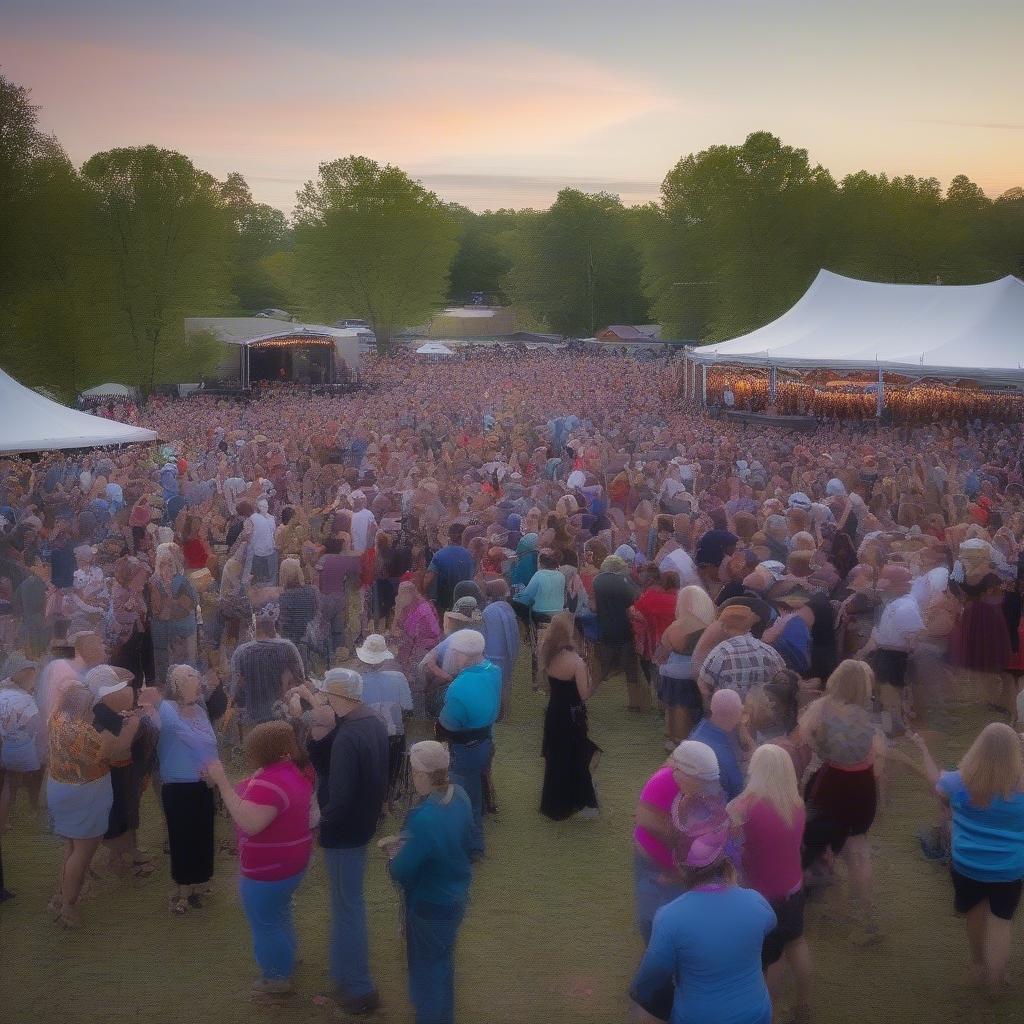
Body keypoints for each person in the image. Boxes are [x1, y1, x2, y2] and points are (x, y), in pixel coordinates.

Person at [203, 721, 314, 997]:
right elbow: (252, 789)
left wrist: (222, 783)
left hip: (269, 868)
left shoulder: (271, 781)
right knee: (279, 912)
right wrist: (222, 782)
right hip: (293, 861)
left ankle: (276, 977)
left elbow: (250, 822)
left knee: (264, 921)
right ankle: (287, 957)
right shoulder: (291, 772)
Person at [911, 723, 1024, 993]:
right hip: (1009, 870)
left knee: (975, 916)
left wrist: (922, 747)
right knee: (1001, 924)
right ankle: (995, 982)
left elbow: (935, 782)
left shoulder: (957, 782)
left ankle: (977, 967)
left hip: (967, 866)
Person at [630, 821, 776, 1024]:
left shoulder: (669, 917)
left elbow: (649, 982)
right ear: (726, 862)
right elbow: (769, 930)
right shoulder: (756, 901)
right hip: (757, 1013)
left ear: (681, 867)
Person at [306, 667, 389, 1015]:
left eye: (325, 695)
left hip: (343, 834)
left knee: (348, 908)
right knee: (345, 906)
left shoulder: (348, 737)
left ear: (336, 697)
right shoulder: (371, 723)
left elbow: (337, 800)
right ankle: (343, 973)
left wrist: (317, 824)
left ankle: (358, 988)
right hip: (362, 825)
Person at [380, 741, 474, 1024]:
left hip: (428, 903)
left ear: (421, 774)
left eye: (413, 772)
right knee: (443, 965)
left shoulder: (424, 817)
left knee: (427, 972)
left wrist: (394, 855)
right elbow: (459, 842)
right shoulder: (461, 796)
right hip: (456, 896)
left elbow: (402, 870)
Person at [798, 659, 886, 945]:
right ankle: (868, 916)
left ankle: (812, 903)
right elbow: (878, 755)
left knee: (813, 841)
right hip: (862, 788)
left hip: (832, 785)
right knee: (858, 850)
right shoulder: (869, 713)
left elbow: (807, 738)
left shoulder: (823, 708)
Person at [729, 744, 810, 1024]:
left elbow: (732, 846)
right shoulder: (796, 804)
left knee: (771, 960)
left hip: (763, 898)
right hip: (794, 889)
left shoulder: (746, 807)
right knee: (797, 943)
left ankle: (769, 1013)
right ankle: (803, 1004)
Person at [632, 739, 726, 944]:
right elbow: (644, 819)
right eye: (702, 781)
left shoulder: (703, 789)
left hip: (681, 874)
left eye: (710, 782)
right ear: (683, 773)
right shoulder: (662, 781)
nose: (707, 787)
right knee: (654, 926)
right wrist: (683, 850)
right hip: (655, 869)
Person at [45, 683, 119, 927]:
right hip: (86, 793)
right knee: (83, 851)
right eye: (90, 707)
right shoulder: (81, 731)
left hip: (61, 788)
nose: (93, 712)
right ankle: (68, 906)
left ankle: (60, 896)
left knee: (72, 847)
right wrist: (111, 735)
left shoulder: (56, 718)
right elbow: (106, 753)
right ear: (82, 706)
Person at [155, 663, 218, 914]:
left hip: (202, 785)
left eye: (195, 675)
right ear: (178, 685)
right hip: (177, 787)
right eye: (191, 676)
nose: (198, 679)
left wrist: (213, 771)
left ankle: (200, 882)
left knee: (203, 834)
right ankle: (183, 889)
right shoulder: (166, 710)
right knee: (181, 837)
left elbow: (210, 743)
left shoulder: (200, 711)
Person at [437, 630, 501, 858]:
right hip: (486, 740)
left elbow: (448, 725)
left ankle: (472, 847)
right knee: (475, 791)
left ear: (464, 655)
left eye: (455, 652)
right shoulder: (493, 670)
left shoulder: (458, 687)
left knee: (464, 799)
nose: (452, 655)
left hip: (466, 748)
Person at [539, 612, 600, 821]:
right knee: (577, 757)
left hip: (555, 711)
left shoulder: (547, 656)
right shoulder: (576, 661)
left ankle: (555, 803)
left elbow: (546, 686)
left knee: (556, 758)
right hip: (573, 714)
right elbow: (584, 693)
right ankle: (584, 801)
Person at [354, 633, 413, 803]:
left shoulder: (357, 681)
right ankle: (388, 799)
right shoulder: (399, 678)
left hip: (368, 736)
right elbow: (408, 708)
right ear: (383, 658)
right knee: (391, 770)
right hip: (394, 735)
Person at [231, 611, 306, 728]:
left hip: (251, 717)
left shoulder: (240, 652)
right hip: (282, 716)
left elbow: (235, 691)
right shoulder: (288, 647)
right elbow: (301, 680)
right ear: (275, 629)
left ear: (253, 630)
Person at [697, 604, 785, 701]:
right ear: (749, 627)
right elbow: (783, 682)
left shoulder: (720, 652)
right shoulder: (770, 651)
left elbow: (703, 689)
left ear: (724, 628)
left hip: (730, 712)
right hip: (762, 713)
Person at [592, 554, 646, 710]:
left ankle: (582, 697)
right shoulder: (625, 583)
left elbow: (593, 607)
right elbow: (634, 605)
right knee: (631, 669)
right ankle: (635, 703)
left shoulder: (598, 581)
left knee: (600, 670)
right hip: (625, 631)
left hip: (605, 631)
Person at [0, 654, 43, 831]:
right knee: (10, 784)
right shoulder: (25, 699)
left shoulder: (3, 690)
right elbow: (35, 725)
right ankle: (2, 823)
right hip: (13, 747)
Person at [690, 688, 744, 800]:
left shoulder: (702, 729)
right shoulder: (723, 755)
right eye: (742, 711)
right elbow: (737, 790)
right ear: (735, 714)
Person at [424, 523, 475, 615]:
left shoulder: (439, 555)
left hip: (445, 604)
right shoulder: (470, 555)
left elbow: (428, 579)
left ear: (449, 536)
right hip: (467, 602)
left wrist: (425, 596)